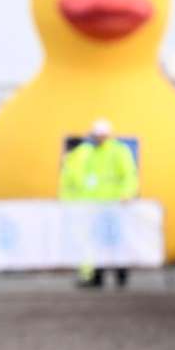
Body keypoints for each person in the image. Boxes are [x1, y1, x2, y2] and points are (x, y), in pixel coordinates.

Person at [59, 118, 139, 288]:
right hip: (95, 205)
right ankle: (97, 277)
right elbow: (88, 179)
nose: (98, 138)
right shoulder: (92, 153)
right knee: (97, 241)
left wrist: (127, 194)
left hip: (116, 204)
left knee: (116, 240)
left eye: (100, 135)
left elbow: (129, 175)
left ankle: (121, 276)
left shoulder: (119, 151)